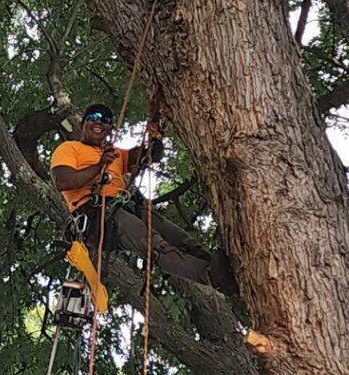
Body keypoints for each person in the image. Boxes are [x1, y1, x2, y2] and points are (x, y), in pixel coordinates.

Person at [50, 103, 235, 293]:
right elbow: (63, 181)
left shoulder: (115, 153)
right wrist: (98, 167)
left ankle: (224, 273)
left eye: (105, 120)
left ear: (110, 129)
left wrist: (155, 134)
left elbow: (151, 155)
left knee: (179, 238)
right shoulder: (69, 148)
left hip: (125, 207)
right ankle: (211, 277)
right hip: (97, 215)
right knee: (153, 244)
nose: (99, 121)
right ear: (83, 125)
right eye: (93, 117)